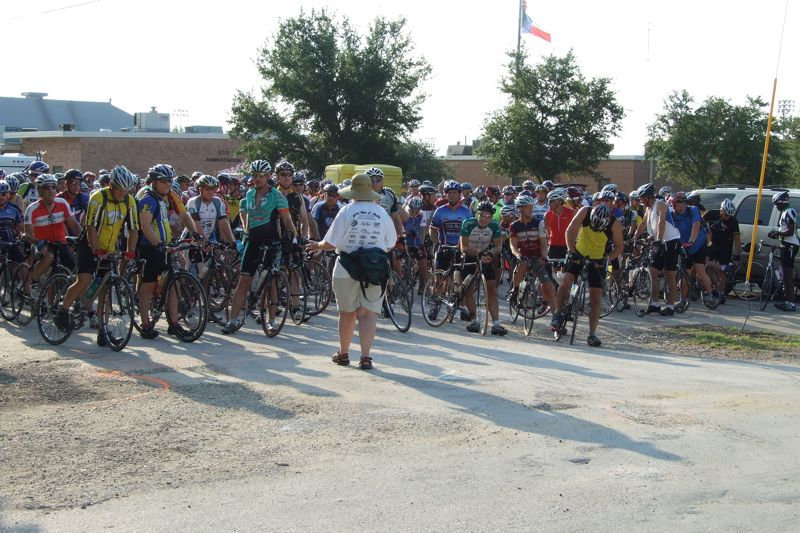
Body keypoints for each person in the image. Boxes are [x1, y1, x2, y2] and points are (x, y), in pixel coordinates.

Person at [306, 174, 396, 369]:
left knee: (347, 313)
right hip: (374, 267)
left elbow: (331, 243)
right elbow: (390, 243)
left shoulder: (346, 211)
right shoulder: (381, 212)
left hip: (346, 266)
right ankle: (365, 357)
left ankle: (344, 353)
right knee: (368, 314)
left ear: (352, 192)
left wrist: (317, 246)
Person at [54, 166, 139, 345]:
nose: (123, 193)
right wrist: (95, 249)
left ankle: (104, 331)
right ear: (112, 185)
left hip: (109, 249)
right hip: (89, 244)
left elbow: (133, 229)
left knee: (106, 291)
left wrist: (130, 251)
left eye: (126, 190)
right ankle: (63, 310)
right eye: (120, 189)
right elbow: (90, 226)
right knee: (84, 280)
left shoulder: (129, 201)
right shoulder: (98, 197)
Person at [222, 160, 297, 334]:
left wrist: (294, 240)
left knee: (272, 283)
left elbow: (287, 221)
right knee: (243, 281)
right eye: (254, 175)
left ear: (269, 176)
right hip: (253, 242)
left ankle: (271, 321)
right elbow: (247, 221)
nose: (257, 179)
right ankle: (232, 320)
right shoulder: (248, 195)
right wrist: (245, 235)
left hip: (272, 243)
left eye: (261, 176)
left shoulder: (276, 195)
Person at [136, 164, 200, 340]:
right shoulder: (147, 199)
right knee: (148, 285)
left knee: (174, 282)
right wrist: (157, 244)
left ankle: (173, 323)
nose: (167, 184)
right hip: (150, 246)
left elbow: (185, 215)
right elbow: (145, 225)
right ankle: (145, 323)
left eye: (170, 181)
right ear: (154, 182)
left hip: (166, 243)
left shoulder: (171, 195)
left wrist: (195, 233)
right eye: (163, 181)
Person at [550, 204, 623, 346]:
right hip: (579, 252)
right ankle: (558, 313)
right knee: (566, 282)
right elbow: (570, 231)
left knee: (595, 297)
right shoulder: (585, 211)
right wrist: (572, 251)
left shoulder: (615, 223)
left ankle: (592, 334)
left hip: (597, 259)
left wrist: (606, 259)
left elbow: (619, 246)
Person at [23, 174, 82, 296]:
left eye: (53, 187)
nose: (51, 190)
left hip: (60, 242)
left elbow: (74, 225)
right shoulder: (32, 209)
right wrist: (38, 243)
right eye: (47, 188)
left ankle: (55, 303)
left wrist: (84, 238)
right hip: (40, 244)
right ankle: (34, 282)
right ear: (39, 190)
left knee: (74, 268)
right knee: (49, 256)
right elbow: (27, 234)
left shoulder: (62, 203)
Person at [634, 182, 682, 316]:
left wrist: (659, 239)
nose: (641, 201)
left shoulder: (660, 204)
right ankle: (655, 304)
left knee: (669, 274)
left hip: (671, 241)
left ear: (648, 197)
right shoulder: (648, 209)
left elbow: (661, 222)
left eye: (642, 198)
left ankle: (670, 306)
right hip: (659, 242)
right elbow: (643, 224)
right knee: (653, 271)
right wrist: (634, 238)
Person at [459, 201, 506, 335]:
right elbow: (464, 247)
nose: (484, 219)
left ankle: (496, 323)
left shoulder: (494, 226)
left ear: (491, 217)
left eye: (487, 216)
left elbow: (498, 247)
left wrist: (490, 253)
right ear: (477, 214)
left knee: (491, 289)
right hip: (470, 256)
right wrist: (478, 252)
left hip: (485, 256)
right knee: (468, 289)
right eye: (481, 215)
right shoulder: (468, 223)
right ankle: (474, 320)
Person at [508, 194, 556, 318]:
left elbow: (544, 244)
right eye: (527, 207)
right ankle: (515, 290)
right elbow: (513, 245)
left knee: (548, 286)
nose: (531, 209)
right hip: (523, 256)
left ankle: (556, 316)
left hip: (537, 257)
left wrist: (544, 257)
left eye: (531, 207)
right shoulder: (514, 226)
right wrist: (518, 255)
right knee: (522, 263)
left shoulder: (538, 223)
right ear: (520, 209)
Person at [669, 191, 716, 308]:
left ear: (683, 204)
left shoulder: (693, 210)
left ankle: (710, 294)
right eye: (672, 205)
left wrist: (691, 241)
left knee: (700, 269)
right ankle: (683, 300)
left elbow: (696, 226)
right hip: (684, 246)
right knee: (685, 273)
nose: (673, 207)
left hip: (698, 244)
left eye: (675, 205)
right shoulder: (671, 213)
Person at [703, 199, 740, 303]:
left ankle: (721, 294)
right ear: (721, 210)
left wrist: (737, 255)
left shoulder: (733, 221)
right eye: (726, 215)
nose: (728, 218)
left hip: (725, 246)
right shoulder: (711, 214)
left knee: (722, 273)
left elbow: (737, 240)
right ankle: (715, 286)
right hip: (712, 244)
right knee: (705, 265)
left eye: (730, 216)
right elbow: (698, 222)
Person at [768, 191, 798, 311]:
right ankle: (787, 300)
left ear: (782, 202)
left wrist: (778, 232)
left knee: (787, 274)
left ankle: (790, 302)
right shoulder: (786, 211)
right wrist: (777, 234)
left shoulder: (789, 211)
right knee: (785, 274)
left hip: (791, 245)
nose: (776, 206)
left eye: (776, 204)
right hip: (787, 243)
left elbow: (790, 231)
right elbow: (786, 230)